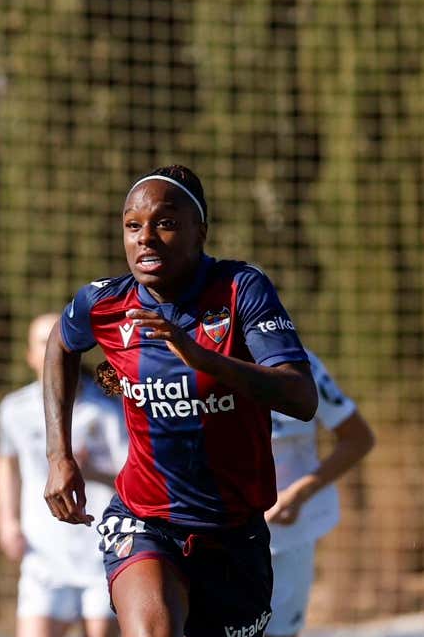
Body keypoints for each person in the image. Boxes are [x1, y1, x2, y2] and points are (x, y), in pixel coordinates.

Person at [41, 164, 319, 637]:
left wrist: (204, 359)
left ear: (200, 232)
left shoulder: (241, 289)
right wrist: (58, 454)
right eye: (133, 226)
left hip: (235, 533)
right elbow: (61, 344)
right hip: (144, 521)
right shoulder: (103, 303)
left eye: (165, 223)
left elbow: (300, 396)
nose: (145, 237)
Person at [0, 313, 126, 637]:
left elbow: (131, 477)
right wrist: (7, 521)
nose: (50, 349)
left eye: (56, 340)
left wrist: (90, 470)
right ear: (29, 355)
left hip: (100, 548)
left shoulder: (107, 408)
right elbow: (6, 464)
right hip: (44, 554)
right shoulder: (14, 409)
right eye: (41, 342)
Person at [266, 350, 374, 637]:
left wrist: (299, 493)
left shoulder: (303, 365)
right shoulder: (195, 360)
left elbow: (358, 438)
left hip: (288, 539)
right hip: (217, 541)